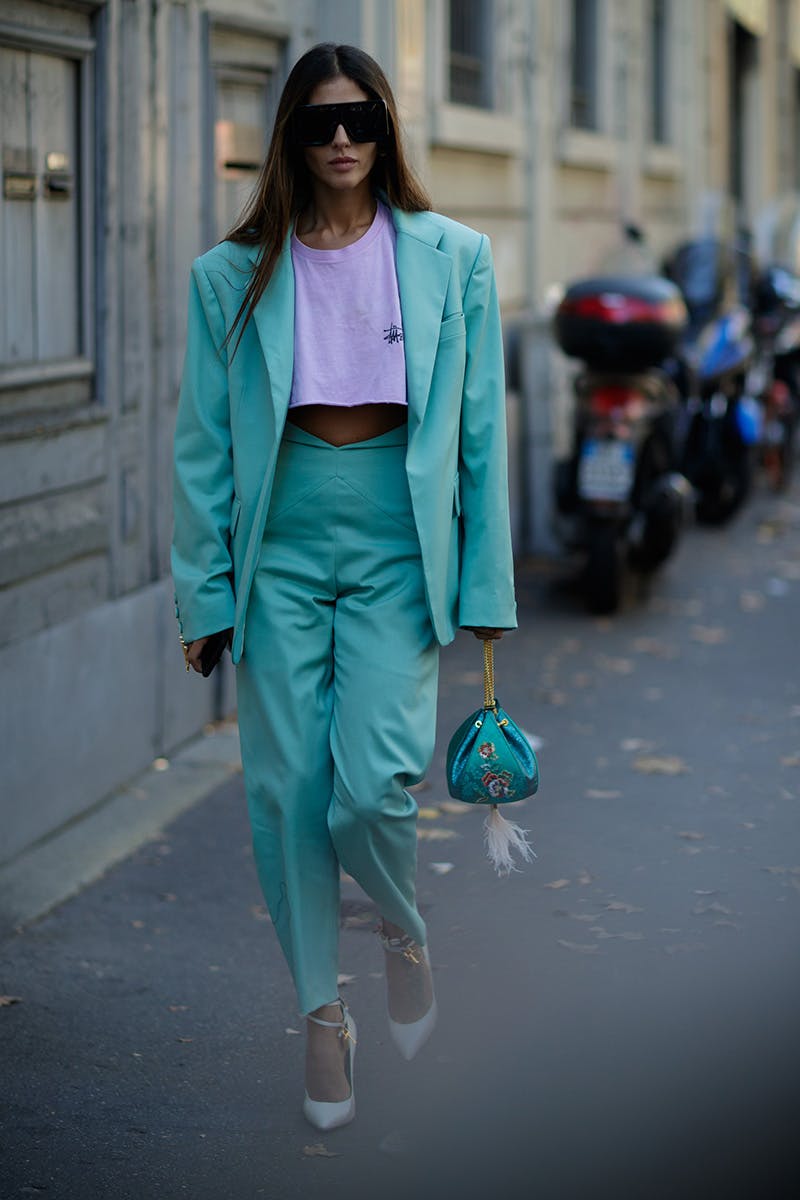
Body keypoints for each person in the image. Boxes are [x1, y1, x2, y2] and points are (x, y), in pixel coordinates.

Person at [171, 42, 516, 1131]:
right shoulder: (229, 273)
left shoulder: (452, 255)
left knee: (367, 786)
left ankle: (402, 927)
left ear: (385, 127)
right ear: (288, 135)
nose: (338, 141)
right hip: (277, 540)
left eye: (358, 118)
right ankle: (323, 1016)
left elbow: (478, 435)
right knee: (282, 795)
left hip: (393, 539)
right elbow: (201, 448)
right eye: (317, 122)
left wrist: (486, 585)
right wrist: (204, 594)